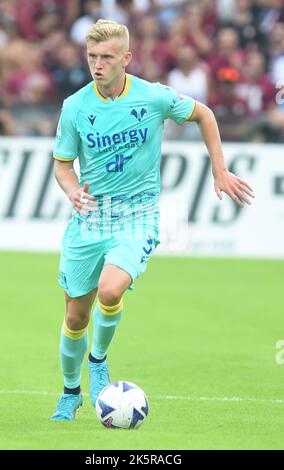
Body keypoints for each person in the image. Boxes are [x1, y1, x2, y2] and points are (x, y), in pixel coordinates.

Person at [51, 19, 254, 420]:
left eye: (106, 57)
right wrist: (72, 190)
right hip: (91, 219)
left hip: (138, 215)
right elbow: (62, 165)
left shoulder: (153, 97)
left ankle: (99, 361)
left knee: (111, 290)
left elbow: (205, 115)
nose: (97, 64)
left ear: (126, 58)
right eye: (92, 56)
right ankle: (70, 392)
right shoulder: (75, 107)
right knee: (75, 315)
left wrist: (219, 170)